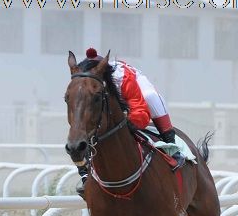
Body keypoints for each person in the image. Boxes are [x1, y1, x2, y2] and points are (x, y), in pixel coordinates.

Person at [75, 47, 185, 197]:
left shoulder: (122, 77)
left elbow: (141, 111)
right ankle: (84, 174)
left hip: (135, 89)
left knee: (150, 97)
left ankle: (172, 145)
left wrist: (127, 124)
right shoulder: (83, 81)